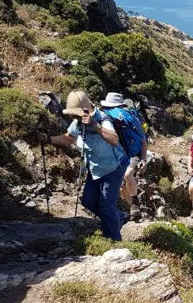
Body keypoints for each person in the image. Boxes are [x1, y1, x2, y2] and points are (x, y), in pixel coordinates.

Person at [42, 91, 128, 240]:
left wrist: (95, 125)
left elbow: (114, 139)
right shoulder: (77, 122)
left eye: (74, 113)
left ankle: (115, 240)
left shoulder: (102, 118)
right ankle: (117, 217)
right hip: (95, 169)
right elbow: (69, 138)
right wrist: (49, 139)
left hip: (113, 168)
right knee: (88, 201)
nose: (72, 116)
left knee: (106, 206)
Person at [100, 92, 148, 221]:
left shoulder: (131, 118)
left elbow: (143, 139)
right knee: (121, 185)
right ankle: (133, 210)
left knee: (127, 174)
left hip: (133, 153)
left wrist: (144, 158)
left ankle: (135, 203)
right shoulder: (104, 119)